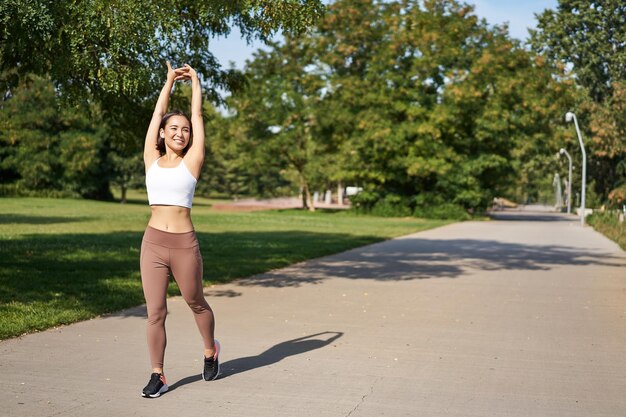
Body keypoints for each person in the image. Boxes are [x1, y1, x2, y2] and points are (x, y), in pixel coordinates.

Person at [139, 62, 219, 398]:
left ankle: (210, 350)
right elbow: (157, 113)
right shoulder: (151, 159)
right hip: (153, 243)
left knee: (195, 301)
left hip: (184, 244)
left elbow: (198, 116)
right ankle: (158, 374)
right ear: (162, 133)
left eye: (184, 130)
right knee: (155, 312)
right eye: (174, 128)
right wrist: (169, 82)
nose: (180, 133)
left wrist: (196, 82)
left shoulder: (193, 161)